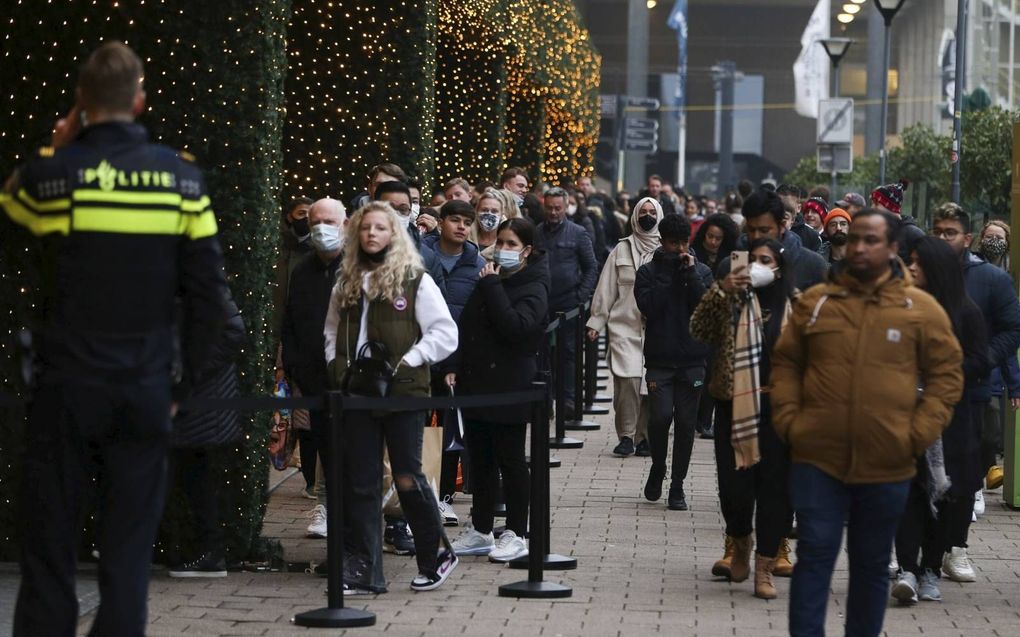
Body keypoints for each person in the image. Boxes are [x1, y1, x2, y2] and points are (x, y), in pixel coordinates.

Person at [1, 42, 228, 635]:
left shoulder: (53, 176)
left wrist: (57, 146)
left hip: (67, 383)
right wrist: (185, 385)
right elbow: (210, 300)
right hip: (146, 385)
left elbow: (9, 207)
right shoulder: (181, 180)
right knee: (129, 551)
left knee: (49, 545)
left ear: (80, 103)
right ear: (139, 100)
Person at [771, 209, 963, 637]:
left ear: (893, 248)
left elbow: (947, 374)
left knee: (871, 565)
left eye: (871, 240)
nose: (858, 246)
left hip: (887, 462)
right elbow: (785, 363)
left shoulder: (919, 309)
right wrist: (789, 421)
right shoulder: (817, 302)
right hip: (817, 459)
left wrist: (917, 433)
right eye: (854, 238)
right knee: (816, 555)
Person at [323, 200, 459, 593]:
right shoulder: (346, 280)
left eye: (380, 228)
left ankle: (435, 555)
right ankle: (365, 568)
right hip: (358, 393)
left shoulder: (414, 279)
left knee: (407, 476)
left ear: (393, 234)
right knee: (362, 481)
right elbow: (331, 333)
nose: (371, 234)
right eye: (366, 228)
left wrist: (409, 360)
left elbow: (444, 332)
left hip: (403, 392)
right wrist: (339, 370)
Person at [691, 237, 799, 600]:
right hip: (734, 406)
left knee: (774, 492)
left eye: (765, 261)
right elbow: (698, 329)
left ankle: (765, 567)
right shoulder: (731, 298)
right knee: (734, 490)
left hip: (779, 409)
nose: (756, 267)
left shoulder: (793, 305)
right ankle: (740, 540)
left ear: (778, 268)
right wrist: (721, 291)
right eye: (751, 260)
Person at [891, 237, 991, 605]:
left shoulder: (965, 312)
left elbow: (980, 362)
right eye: (909, 261)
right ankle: (906, 569)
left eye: (918, 262)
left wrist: (939, 369)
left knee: (942, 496)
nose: (912, 268)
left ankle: (931, 568)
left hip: (950, 421)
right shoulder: (901, 306)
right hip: (904, 416)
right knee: (907, 493)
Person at [448, 218, 549, 561]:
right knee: (481, 459)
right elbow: (468, 326)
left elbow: (516, 327)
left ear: (527, 250)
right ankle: (480, 528)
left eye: (511, 244)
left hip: (511, 385)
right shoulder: (490, 279)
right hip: (478, 384)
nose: (503, 249)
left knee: (511, 459)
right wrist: (455, 367)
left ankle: (517, 532)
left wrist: (491, 286)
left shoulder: (532, 285)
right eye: (501, 242)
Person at [932, 203, 1020, 550]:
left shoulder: (992, 279)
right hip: (925, 390)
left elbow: (1012, 329)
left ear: (967, 238)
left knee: (967, 470)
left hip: (974, 389)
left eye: (950, 232)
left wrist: (984, 360)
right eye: (937, 231)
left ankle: (955, 548)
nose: (942, 238)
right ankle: (914, 554)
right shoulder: (919, 273)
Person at [635, 214, 712, 509]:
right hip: (660, 360)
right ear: (662, 242)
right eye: (672, 243)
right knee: (660, 417)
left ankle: (677, 485)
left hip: (693, 359)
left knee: (685, 422)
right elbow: (649, 307)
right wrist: (667, 273)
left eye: (683, 243)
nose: (679, 249)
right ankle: (658, 466)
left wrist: (689, 275)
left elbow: (705, 305)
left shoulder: (702, 271)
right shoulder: (648, 273)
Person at [280, 198, 347, 539]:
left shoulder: (356, 268)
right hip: (312, 375)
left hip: (350, 379)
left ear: (345, 225)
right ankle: (326, 506)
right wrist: (294, 370)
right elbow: (291, 320)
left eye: (329, 221)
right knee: (322, 446)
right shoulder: (303, 269)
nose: (321, 227)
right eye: (315, 220)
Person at [168, 291, 245, 578]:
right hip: (193, 393)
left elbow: (234, 331)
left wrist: (190, 368)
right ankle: (206, 550)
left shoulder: (199, 277)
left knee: (191, 471)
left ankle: (210, 552)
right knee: (190, 472)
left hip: (200, 395)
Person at [586, 197, 661, 457]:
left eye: (652, 212)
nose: (648, 216)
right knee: (628, 381)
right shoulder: (621, 250)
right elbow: (606, 287)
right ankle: (626, 436)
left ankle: (645, 438)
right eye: (643, 212)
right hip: (624, 328)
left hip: (656, 331)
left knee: (649, 385)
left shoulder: (666, 250)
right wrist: (597, 320)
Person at [537, 186, 597, 412]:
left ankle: (569, 398)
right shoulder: (537, 232)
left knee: (568, 351)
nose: (553, 213)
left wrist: (580, 296)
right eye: (550, 208)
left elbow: (591, 267)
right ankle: (547, 398)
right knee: (544, 352)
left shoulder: (578, 232)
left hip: (568, 304)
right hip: (542, 302)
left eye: (558, 208)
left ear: (565, 208)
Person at [973, 220, 1019, 493]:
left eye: (999, 237)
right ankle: (975, 486)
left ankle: (979, 478)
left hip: (994, 366)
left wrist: (1014, 383)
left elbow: (1010, 334)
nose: (994, 241)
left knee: (990, 433)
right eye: (989, 236)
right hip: (976, 362)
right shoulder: (974, 270)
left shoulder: (1010, 274)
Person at [717, 188, 828, 292]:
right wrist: (723, 292)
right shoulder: (731, 266)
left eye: (764, 230)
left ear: (781, 227)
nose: (756, 236)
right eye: (751, 230)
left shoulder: (813, 266)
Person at [872, 180, 924, 262]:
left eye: (876, 203)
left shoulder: (913, 234)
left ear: (889, 205)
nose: (872, 208)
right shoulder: (881, 231)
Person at [471, 187, 518, 253]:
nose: (489, 214)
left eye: (494, 211)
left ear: (502, 214)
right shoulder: (467, 238)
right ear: (476, 211)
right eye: (484, 210)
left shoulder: (509, 242)